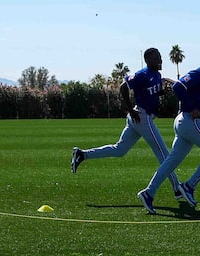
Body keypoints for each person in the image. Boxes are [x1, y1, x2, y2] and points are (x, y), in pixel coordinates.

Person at [72, 48, 185, 201]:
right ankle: (177, 188)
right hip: (141, 116)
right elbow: (123, 87)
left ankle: (82, 154)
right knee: (164, 154)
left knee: (119, 150)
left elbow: (151, 92)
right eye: (157, 58)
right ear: (148, 60)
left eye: (160, 57)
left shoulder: (157, 75)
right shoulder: (142, 74)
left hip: (141, 117)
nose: (160, 60)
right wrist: (130, 109)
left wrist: (161, 93)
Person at [138, 50, 200, 215]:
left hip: (187, 122)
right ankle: (188, 186)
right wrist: (191, 106)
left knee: (170, 162)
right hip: (189, 121)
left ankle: (148, 193)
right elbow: (178, 86)